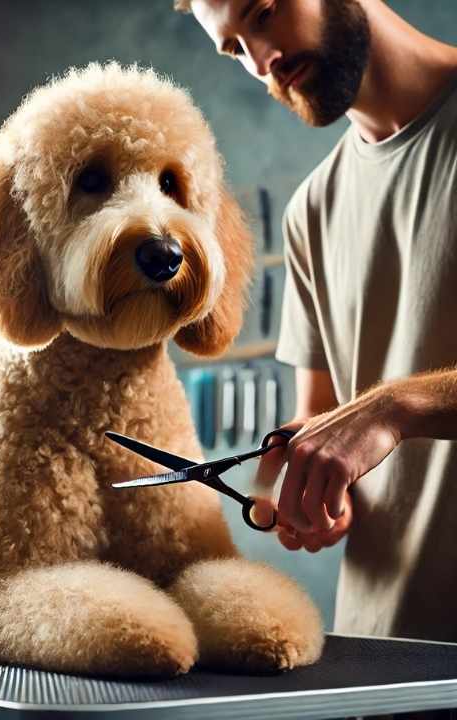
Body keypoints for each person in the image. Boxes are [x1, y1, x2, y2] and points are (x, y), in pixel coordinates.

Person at [174, 0, 457, 647]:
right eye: (236, 50)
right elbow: (322, 416)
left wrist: (395, 406)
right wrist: (301, 485)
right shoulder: (313, 210)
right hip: (382, 663)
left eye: (265, 14)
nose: (263, 62)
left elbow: (375, 415)